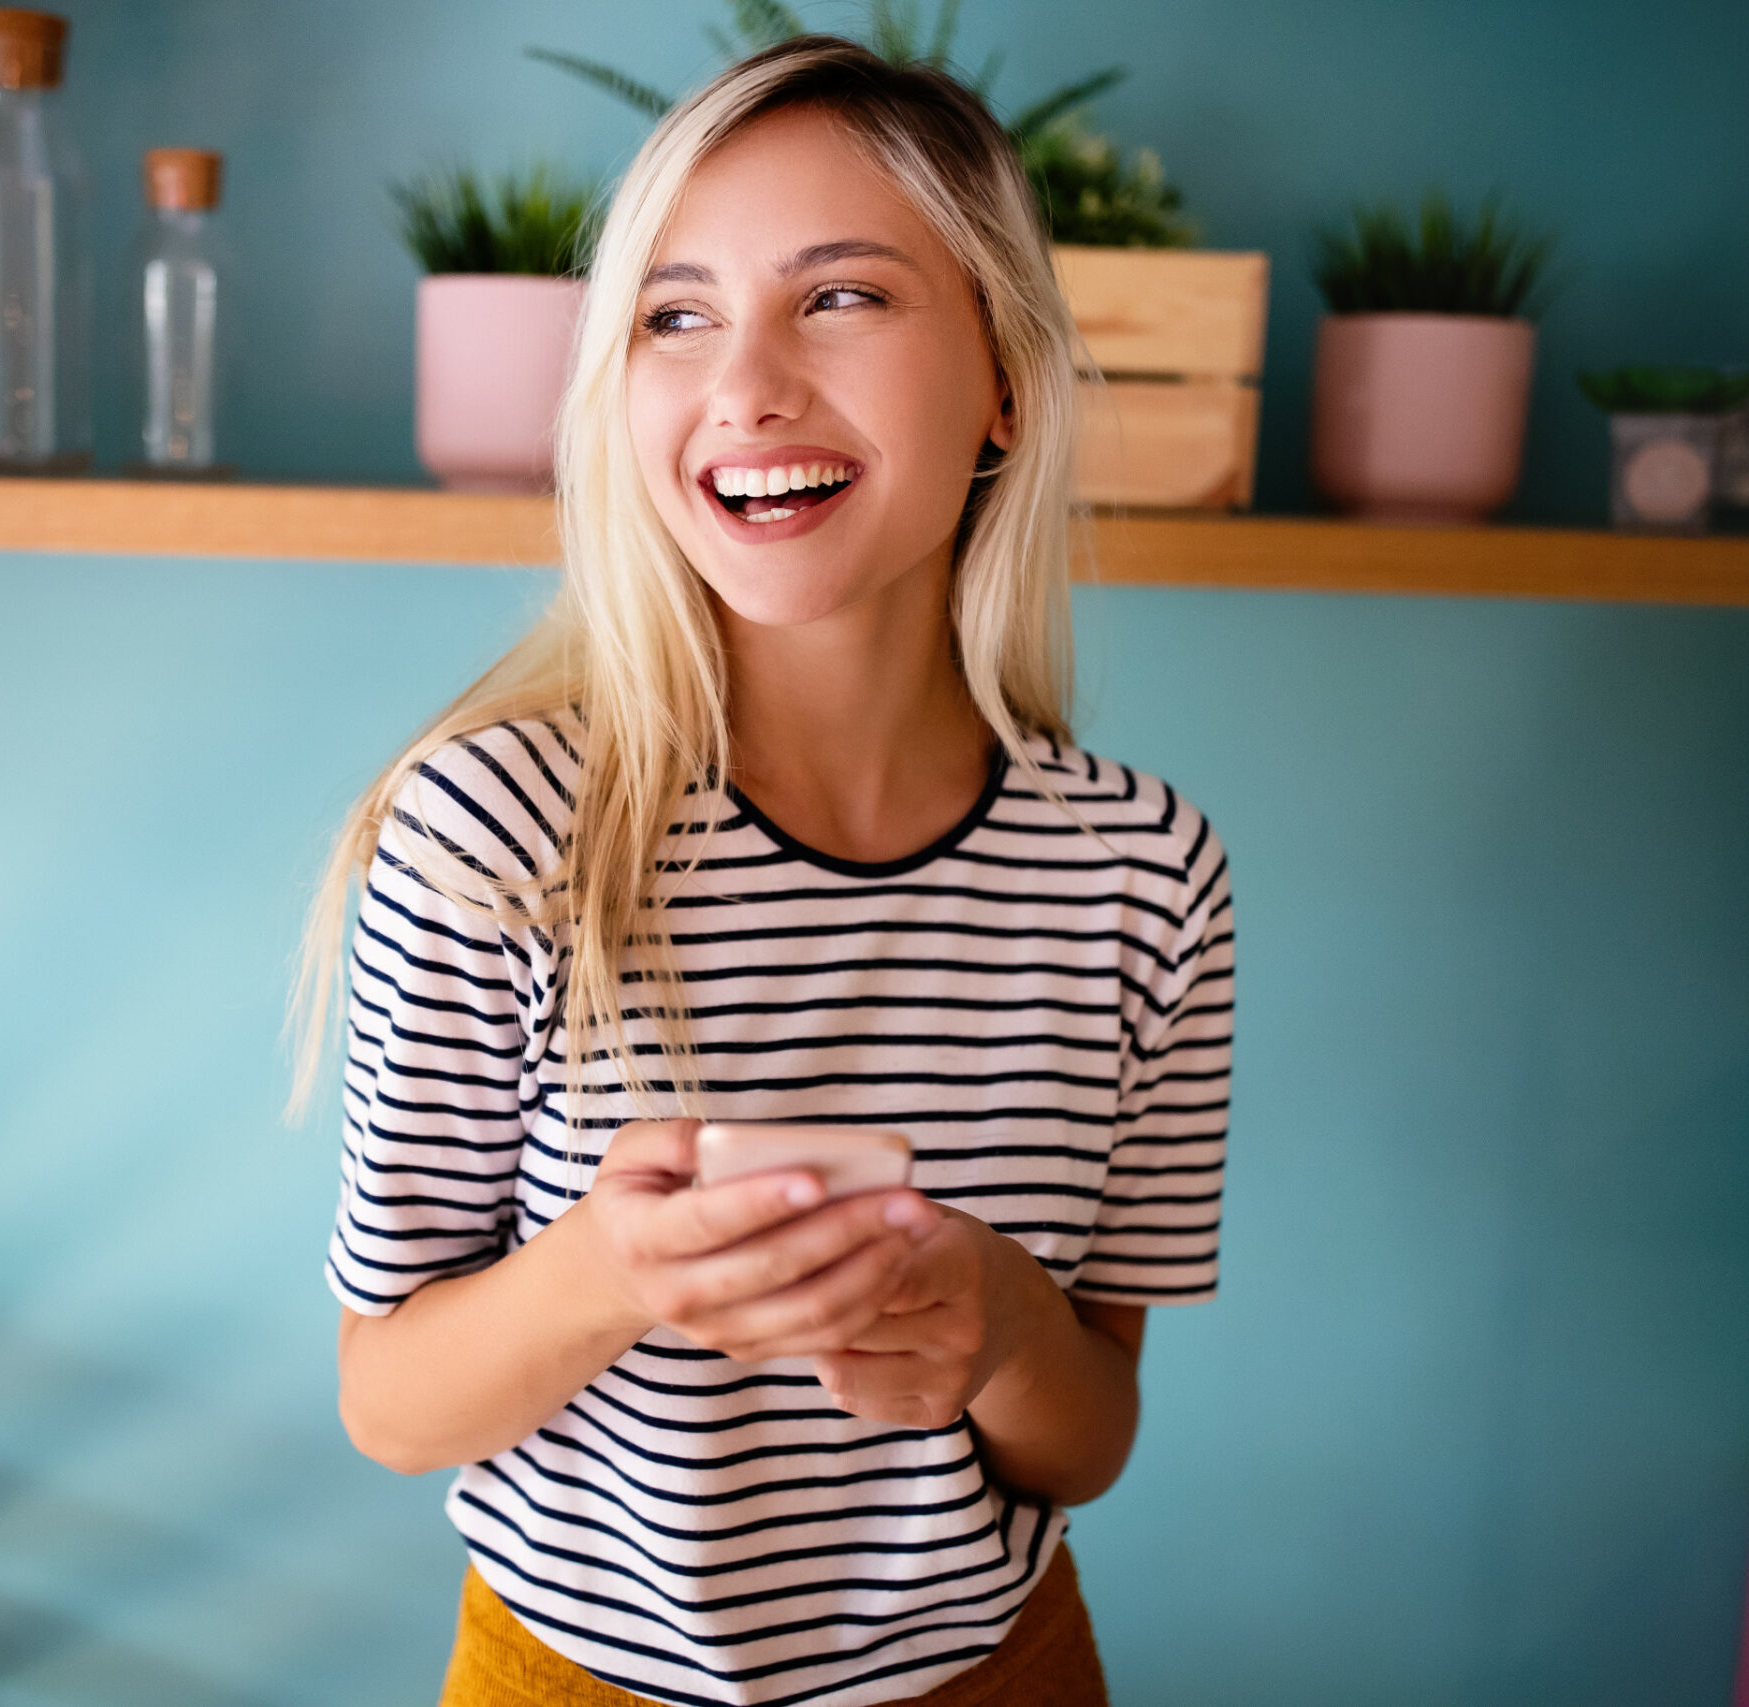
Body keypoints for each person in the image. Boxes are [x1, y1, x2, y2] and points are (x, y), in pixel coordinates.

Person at [294, 35, 1234, 1707]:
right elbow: (389, 1402)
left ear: (1006, 374)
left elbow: (1088, 1443)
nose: (746, 385)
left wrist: (1006, 1328)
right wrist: (609, 1273)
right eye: (674, 314)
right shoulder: (490, 834)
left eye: (843, 298)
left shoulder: (1145, 877)